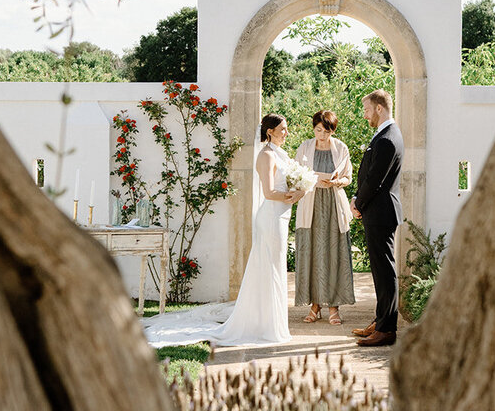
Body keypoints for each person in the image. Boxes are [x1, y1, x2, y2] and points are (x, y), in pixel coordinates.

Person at [142, 113, 302, 348]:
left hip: (281, 215)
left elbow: (287, 185)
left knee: (275, 268)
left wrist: (301, 190)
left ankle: (270, 323)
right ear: (270, 132)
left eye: (286, 128)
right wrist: (294, 195)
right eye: (282, 129)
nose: (286, 132)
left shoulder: (281, 154)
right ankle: (266, 326)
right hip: (270, 218)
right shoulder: (266, 156)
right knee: (270, 270)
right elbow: (269, 193)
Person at [350, 89, 404, 347]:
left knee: (385, 271)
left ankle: (386, 329)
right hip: (379, 211)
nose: (365, 115)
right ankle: (381, 320)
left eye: (367, 109)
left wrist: (357, 202)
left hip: (380, 212)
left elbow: (375, 180)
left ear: (379, 108)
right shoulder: (386, 135)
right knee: (381, 270)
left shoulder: (386, 139)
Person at [294, 110, 355, 325]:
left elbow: (348, 177)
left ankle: (334, 307)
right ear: (313, 128)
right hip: (311, 204)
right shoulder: (304, 147)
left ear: (332, 130)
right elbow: (295, 175)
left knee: (333, 252)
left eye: (326, 131)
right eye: (318, 130)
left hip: (333, 204)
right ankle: (315, 305)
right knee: (313, 252)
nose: (322, 134)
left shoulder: (341, 148)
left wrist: (337, 182)